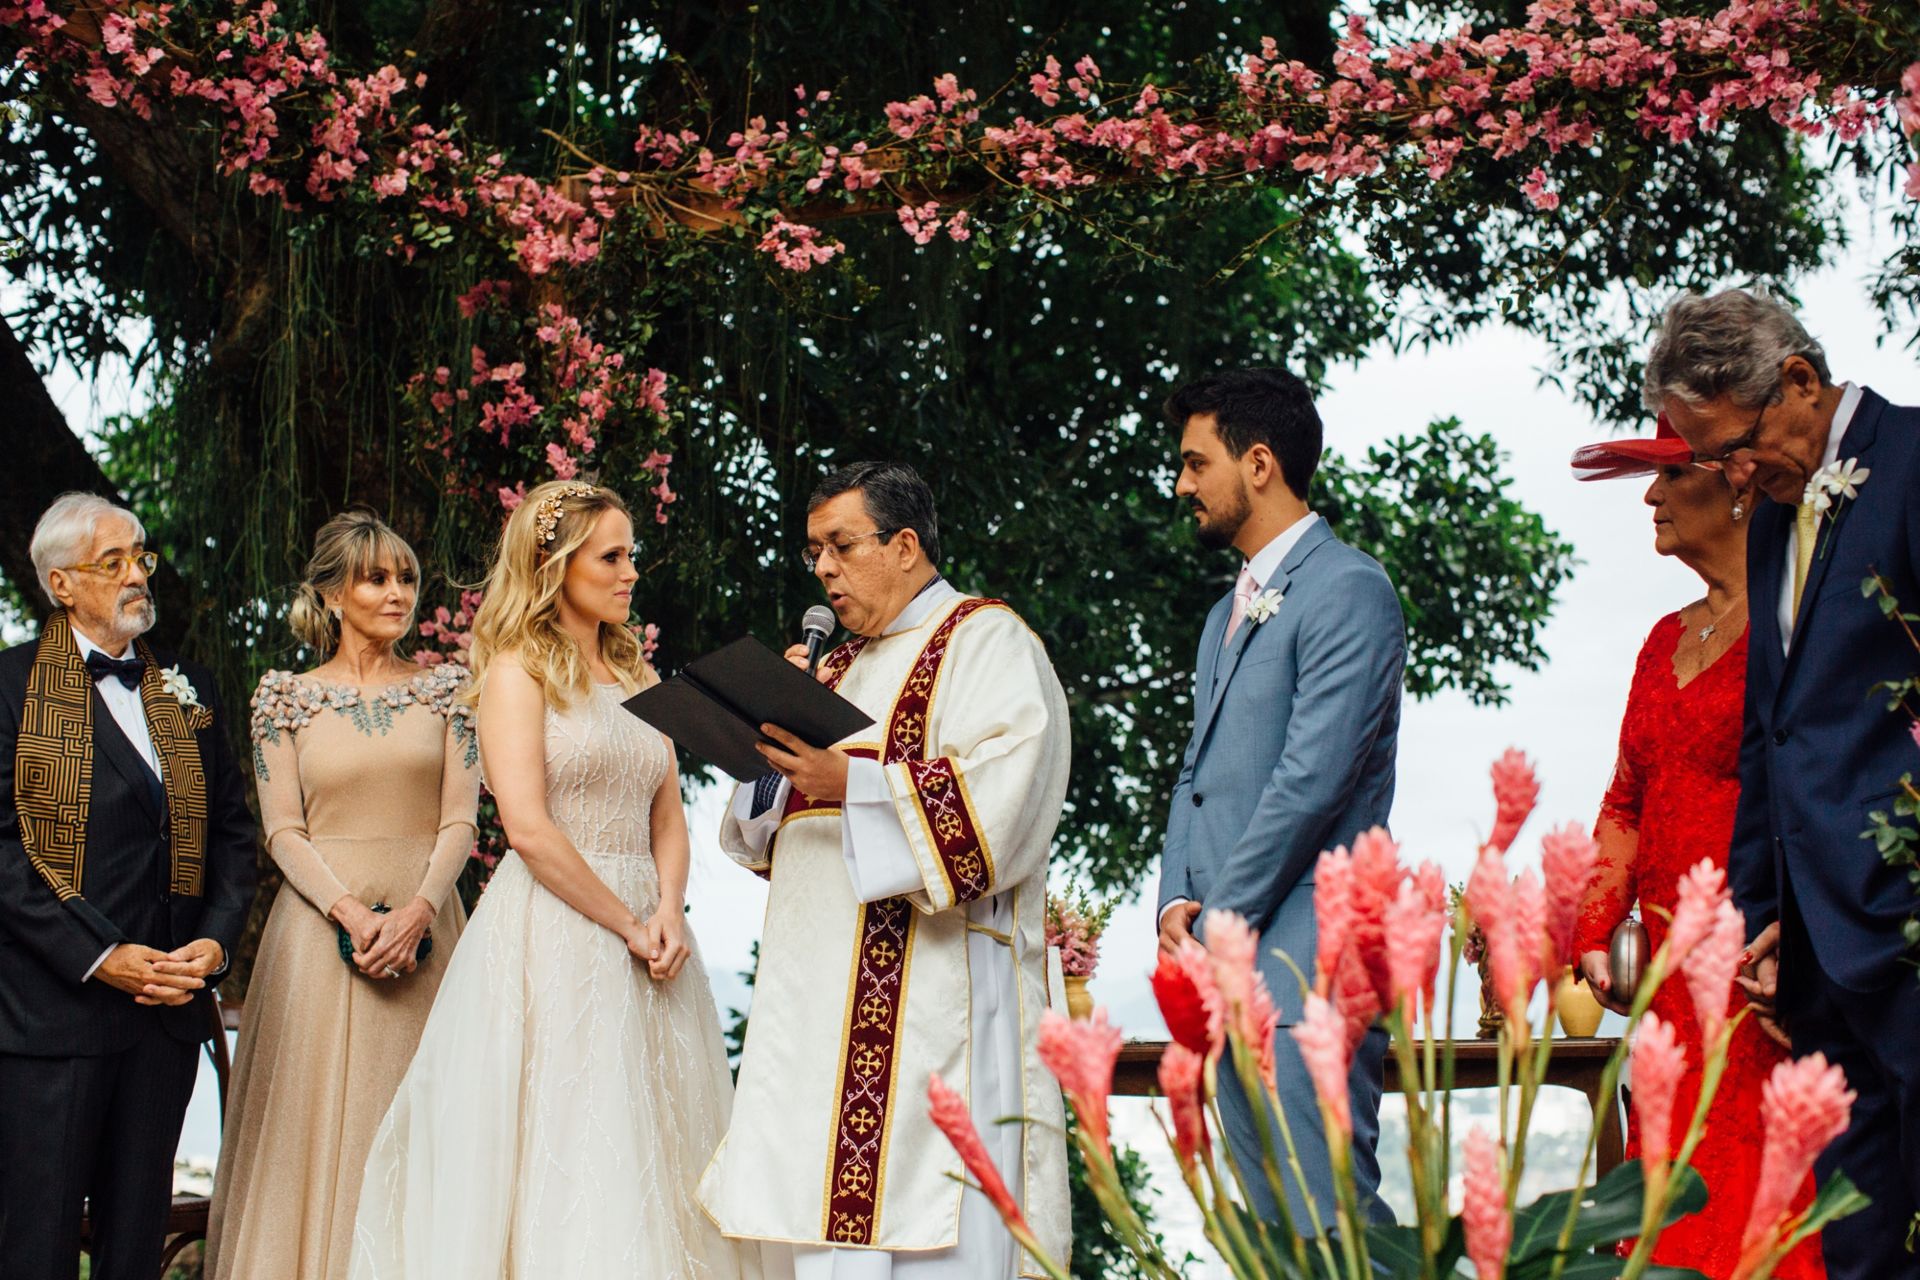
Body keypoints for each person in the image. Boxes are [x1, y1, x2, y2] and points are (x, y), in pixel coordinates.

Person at [349, 481, 760, 1280]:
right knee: (573, 1131)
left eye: (630, 554)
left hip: (654, 933)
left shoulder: (638, 675)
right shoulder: (515, 672)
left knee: (663, 1135)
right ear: (555, 563)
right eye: (611, 555)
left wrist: (668, 910)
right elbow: (529, 829)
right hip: (560, 934)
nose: (630, 571)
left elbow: (667, 814)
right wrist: (627, 922)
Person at [699, 461, 1071, 1279]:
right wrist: (767, 732)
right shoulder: (829, 666)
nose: (824, 568)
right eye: (813, 553)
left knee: (937, 1228)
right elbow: (762, 834)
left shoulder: (985, 640)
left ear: (905, 545)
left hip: (932, 996)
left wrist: (854, 785)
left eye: (841, 545)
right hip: (814, 1012)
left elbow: (1008, 795)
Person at [1649, 288, 1920, 1279]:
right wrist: (1757, 913)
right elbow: (1776, 727)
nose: (1728, 474)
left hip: (1908, 929)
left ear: (1800, 382)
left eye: (1732, 444)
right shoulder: (1770, 522)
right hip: (1813, 954)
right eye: (1708, 458)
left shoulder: (1914, 462)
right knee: (1858, 1241)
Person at [1569, 417, 1822, 1277]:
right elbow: (1625, 797)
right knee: (1670, 1185)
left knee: (1765, 1187)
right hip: (1669, 986)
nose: (1649, 497)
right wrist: (1594, 932)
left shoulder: (1798, 622)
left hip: (1761, 963)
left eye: (1669, 477)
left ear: (1738, 482)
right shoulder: (1658, 643)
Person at [1153, 369, 1402, 1229]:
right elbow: (1194, 774)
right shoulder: (1223, 613)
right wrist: (1176, 901)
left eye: (1195, 462)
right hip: (1226, 977)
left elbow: (1312, 782)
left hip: (1309, 977)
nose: (1183, 485)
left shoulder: (1349, 590)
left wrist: (1220, 916)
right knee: (1265, 1242)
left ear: (1258, 463)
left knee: (1329, 1231)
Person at [205, 511, 479, 1280]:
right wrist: (354, 914)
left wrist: (419, 909)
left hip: (430, 933)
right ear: (330, 593)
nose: (397, 594)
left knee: (424, 1119)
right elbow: (282, 831)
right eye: (375, 578)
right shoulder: (283, 698)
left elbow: (461, 815)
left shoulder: (451, 691)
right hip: (318, 938)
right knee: (312, 1131)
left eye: (406, 579)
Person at [0, 492, 256, 1280]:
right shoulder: (9, 687)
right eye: (111, 563)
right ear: (60, 584)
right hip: (53, 1016)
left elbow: (234, 836)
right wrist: (98, 953)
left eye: (139, 556)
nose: (136, 575)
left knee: (134, 1244)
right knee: (36, 1245)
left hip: (165, 1018)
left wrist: (212, 943)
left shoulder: (188, 687)